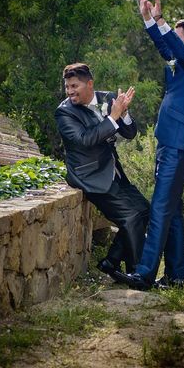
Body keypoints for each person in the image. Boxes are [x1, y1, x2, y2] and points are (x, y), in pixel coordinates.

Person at [115, 0, 184, 290]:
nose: (172, 36)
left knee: (160, 207)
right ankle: (175, 278)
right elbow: (167, 49)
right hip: (167, 142)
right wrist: (149, 21)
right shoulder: (181, 59)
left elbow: (182, 57)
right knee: (172, 211)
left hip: (179, 143)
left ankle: (144, 274)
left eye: (176, 33)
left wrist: (161, 21)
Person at [55, 63, 150, 279]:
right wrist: (112, 117)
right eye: (67, 87)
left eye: (74, 86)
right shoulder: (64, 112)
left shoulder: (108, 99)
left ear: (90, 84)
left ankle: (111, 262)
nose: (70, 92)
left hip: (113, 171)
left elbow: (131, 133)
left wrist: (123, 113)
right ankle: (138, 273)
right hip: (89, 176)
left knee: (144, 210)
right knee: (131, 217)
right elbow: (85, 140)